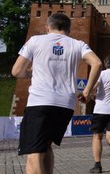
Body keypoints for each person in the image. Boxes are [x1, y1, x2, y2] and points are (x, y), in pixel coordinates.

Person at [11, 12, 103, 174]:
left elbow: (17, 71)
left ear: (48, 27)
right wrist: (87, 91)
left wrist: (32, 72)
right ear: (68, 29)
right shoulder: (78, 44)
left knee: (33, 154)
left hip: (40, 102)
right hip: (65, 104)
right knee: (46, 146)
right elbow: (96, 63)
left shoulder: (35, 41)